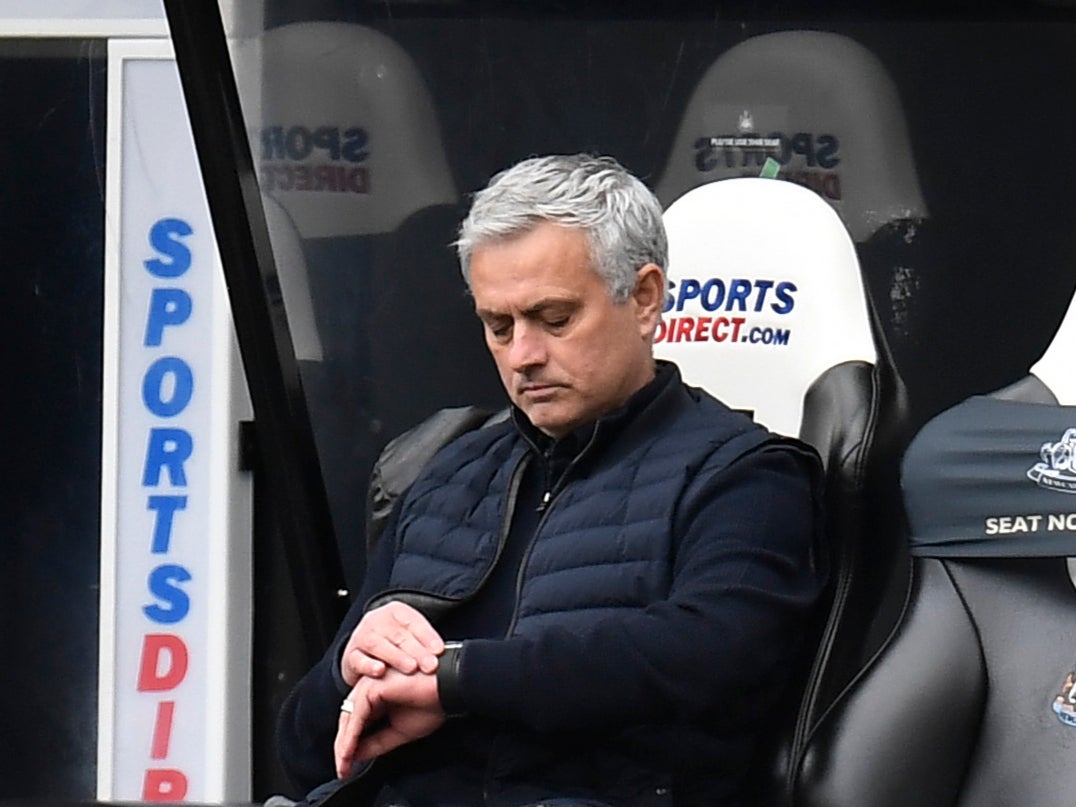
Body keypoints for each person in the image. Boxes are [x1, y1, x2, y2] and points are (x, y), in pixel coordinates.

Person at [276, 153, 828, 806]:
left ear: (645, 297)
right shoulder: (443, 473)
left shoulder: (743, 476)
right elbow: (304, 753)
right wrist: (347, 672)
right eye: (498, 326)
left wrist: (457, 677)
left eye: (556, 318)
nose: (524, 356)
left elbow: (710, 654)